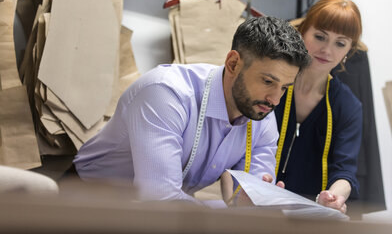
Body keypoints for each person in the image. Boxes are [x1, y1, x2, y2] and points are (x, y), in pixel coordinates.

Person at [73, 16, 310, 204]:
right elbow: (159, 199)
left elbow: (247, 200)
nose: (275, 100)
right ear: (233, 64)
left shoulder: (261, 113)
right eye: (268, 81)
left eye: (285, 88)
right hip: (81, 203)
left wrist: (260, 204)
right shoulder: (166, 93)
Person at [273, 0, 363, 213]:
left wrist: (334, 198)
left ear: (348, 51)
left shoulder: (348, 105)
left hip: (309, 215)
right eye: (320, 37)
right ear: (303, 32)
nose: (327, 50)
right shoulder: (272, 82)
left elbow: (345, 171)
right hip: (255, 205)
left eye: (340, 43)